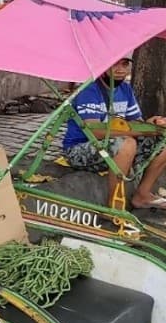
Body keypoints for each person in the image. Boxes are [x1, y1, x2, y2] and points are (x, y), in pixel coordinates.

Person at [62, 54, 166, 209]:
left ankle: (142, 194)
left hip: (115, 147)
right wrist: (138, 132)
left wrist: (151, 125)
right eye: (115, 64)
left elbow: (135, 122)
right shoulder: (89, 89)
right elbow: (94, 131)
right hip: (80, 150)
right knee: (127, 143)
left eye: (124, 64)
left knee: (162, 141)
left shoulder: (125, 89)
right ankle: (114, 205)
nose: (120, 70)